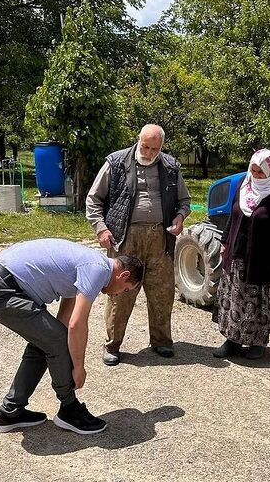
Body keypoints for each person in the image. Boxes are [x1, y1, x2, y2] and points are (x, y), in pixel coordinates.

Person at [0, 238, 144, 435]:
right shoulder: (98, 270)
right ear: (123, 275)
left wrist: (57, 346)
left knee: (49, 340)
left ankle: (10, 412)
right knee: (55, 340)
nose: (117, 295)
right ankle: (69, 410)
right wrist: (78, 368)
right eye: (124, 289)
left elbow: (64, 320)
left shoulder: (89, 264)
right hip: (1, 290)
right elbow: (77, 325)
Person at [86, 124, 191, 365]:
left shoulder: (170, 166)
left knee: (162, 292)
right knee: (120, 295)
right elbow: (93, 199)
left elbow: (184, 200)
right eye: (145, 146)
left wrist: (180, 217)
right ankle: (113, 345)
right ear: (138, 140)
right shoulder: (116, 162)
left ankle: (162, 341)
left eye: (155, 148)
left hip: (159, 239)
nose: (150, 152)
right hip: (125, 238)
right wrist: (101, 229)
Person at [213, 149, 270, 359]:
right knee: (235, 297)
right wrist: (225, 242)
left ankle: (257, 342)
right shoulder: (244, 183)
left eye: (261, 173)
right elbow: (233, 215)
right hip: (237, 254)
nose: (256, 176)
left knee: (258, 300)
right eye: (253, 170)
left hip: (264, 258)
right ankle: (232, 340)